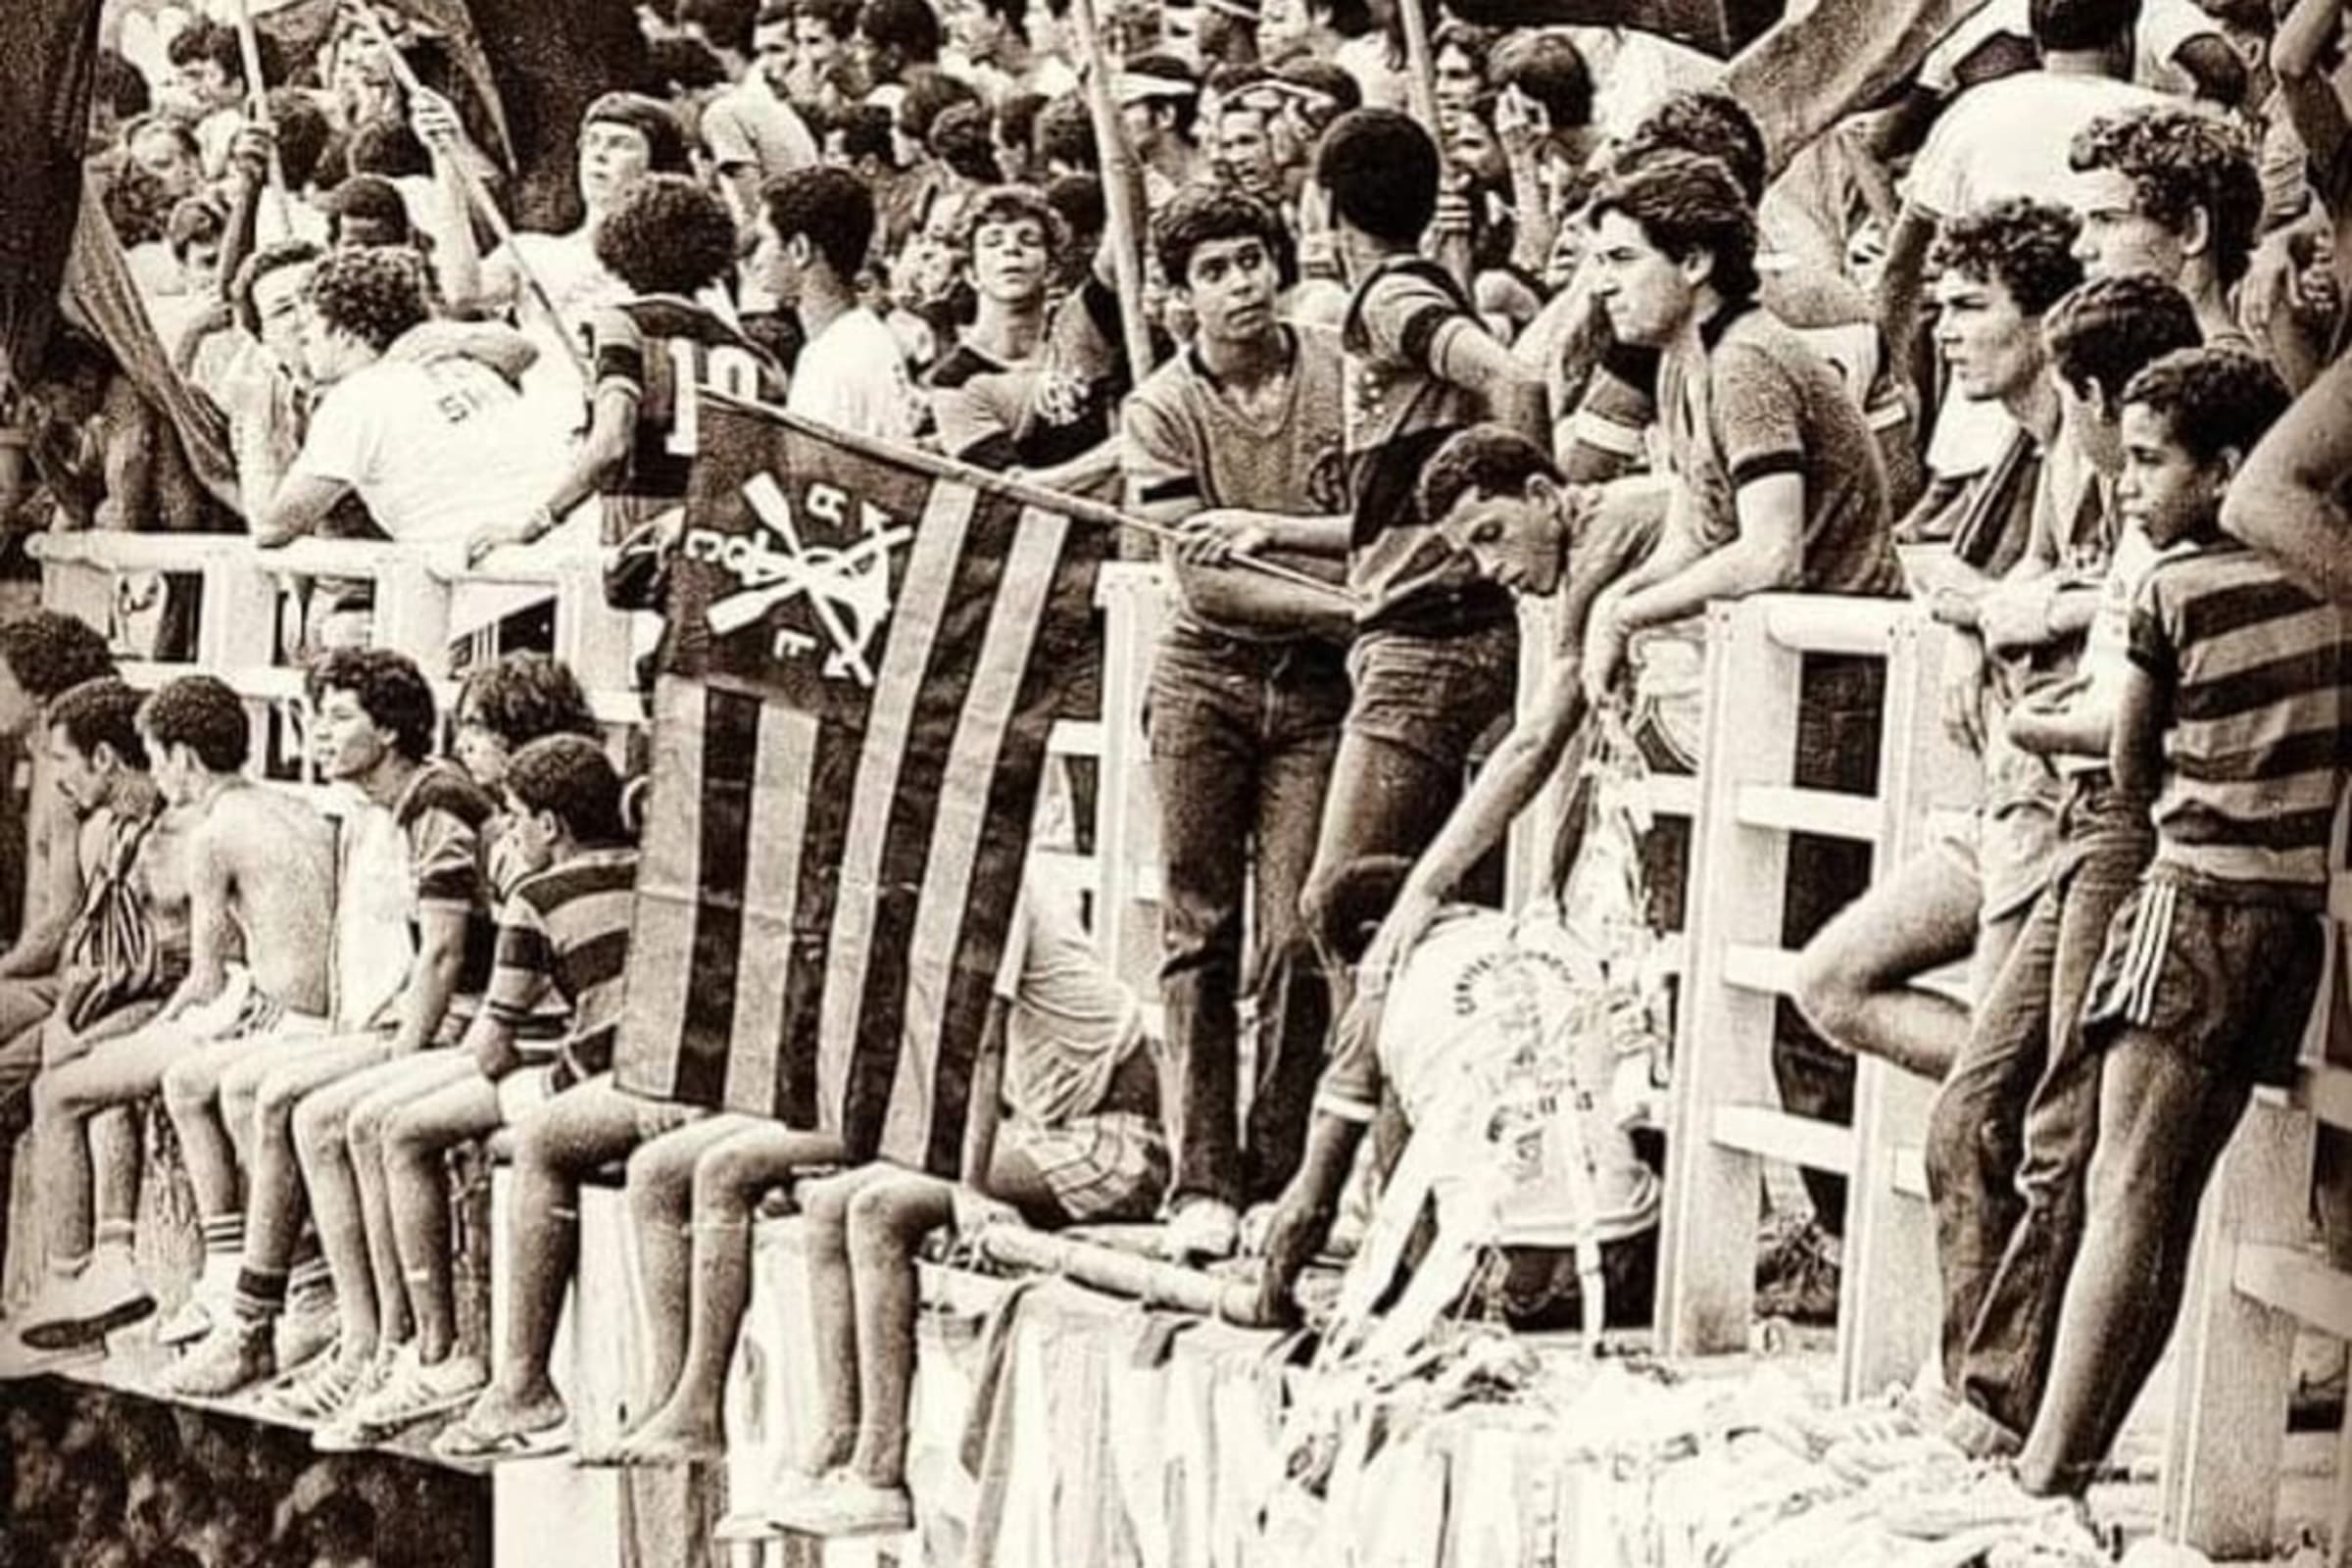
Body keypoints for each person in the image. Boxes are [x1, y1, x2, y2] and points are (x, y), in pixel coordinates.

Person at [1893, 346, 2320, 1531]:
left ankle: (2047, 1472)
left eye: (2147, 462)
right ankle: (2068, 1456)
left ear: (2231, 470)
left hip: (2187, 900)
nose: (2127, 486)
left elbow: (2130, 762)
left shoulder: (2177, 589)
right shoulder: (2331, 592)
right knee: (2171, 1198)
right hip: (2287, 925)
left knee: (2119, 1186)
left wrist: (2040, 729)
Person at [628, 854, 1163, 1538]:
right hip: (1034, 1128)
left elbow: (980, 1044)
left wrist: (965, 1186)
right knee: (829, 1205)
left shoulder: (992, 876)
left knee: (880, 1210)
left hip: (1108, 1140)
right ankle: (836, 1442)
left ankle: (880, 1467)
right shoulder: (917, 883)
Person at [1920, 273, 2201, 1458]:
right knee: (1979, 1113)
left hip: (2116, 829)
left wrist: (2021, 710)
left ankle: (2010, 1412)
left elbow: (2124, 741)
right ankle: (1977, 1393)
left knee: (2054, 1129)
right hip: (2089, 823)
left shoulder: (2156, 541)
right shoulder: (2110, 512)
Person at [1291, 110, 1545, 1235]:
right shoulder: (1418, 288)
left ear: (1322, 207)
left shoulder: (1384, 298)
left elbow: (1511, 381)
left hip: (1426, 639)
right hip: (1429, 625)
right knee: (1424, 910)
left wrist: (1508, 507)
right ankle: (1417, 1182)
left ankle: (1389, 1187)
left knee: (1346, 909)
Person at [1795, 200, 2091, 1085]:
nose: (1944, 330)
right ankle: (2035, 1091)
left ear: (2043, 322)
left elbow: (2057, 596)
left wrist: (1990, 614)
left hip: (2055, 801)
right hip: (2010, 800)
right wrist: (1977, 625)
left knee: (1982, 1105)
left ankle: (2034, 1095)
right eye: (1942, 305)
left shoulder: (2089, 433)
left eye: (1971, 307)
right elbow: (1951, 574)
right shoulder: (2028, 443)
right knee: (1832, 981)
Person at [1116, 188, 1353, 1258]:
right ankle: (1200, 1179)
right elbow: (1209, 588)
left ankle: (1278, 1168)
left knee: (1302, 923)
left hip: (1315, 688)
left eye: (1252, 260)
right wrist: (1354, 604)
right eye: (1214, 270)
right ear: (1179, 295)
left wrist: (1290, 552)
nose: (1242, 285)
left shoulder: (1341, 371)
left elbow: (1376, 524)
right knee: (1199, 929)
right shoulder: (1160, 407)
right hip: (1206, 678)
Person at [162, 650, 492, 1412]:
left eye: (339, 716)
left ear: (392, 725)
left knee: (300, 1105)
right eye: (315, 715)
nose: (318, 733)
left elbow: (443, 955)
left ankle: (346, 1334)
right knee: (258, 1089)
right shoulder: (371, 810)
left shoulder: (435, 800)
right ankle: (304, 1311)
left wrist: (400, 1056)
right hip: (379, 1022)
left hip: (442, 1028)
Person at [17, 677, 337, 1356]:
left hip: (265, 1014)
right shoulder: (294, 807)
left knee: (60, 1091)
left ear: (185, 758)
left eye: (159, 757)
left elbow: (203, 978)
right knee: (111, 1075)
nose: (157, 774)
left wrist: (151, 1031)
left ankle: (79, 1281)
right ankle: (130, 1264)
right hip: (314, 1011)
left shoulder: (211, 832)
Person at [354, 735, 636, 1455]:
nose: (507, 835)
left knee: (406, 1132)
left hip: (576, 1065)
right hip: (619, 1058)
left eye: (514, 819)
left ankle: (438, 1348)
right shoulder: (645, 873)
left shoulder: (536, 897)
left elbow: (489, 1047)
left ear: (550, 827)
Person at [1254, 856, 1662, 1333]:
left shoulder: (1379, 990)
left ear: (1372, 937)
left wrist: (1271, 1295)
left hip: (1499, 1286)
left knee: (1399, 1088)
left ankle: (1404, 1279)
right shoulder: (1546, 939)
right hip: (1630, 1264)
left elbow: (1308, 1206)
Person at [1, 678, 192, 1363]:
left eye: (64, 761)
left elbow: (184, 975)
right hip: (110, 999)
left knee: (72, 1083)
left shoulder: (179, 836)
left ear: (106, 758)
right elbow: (89, 946)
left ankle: (83, 1275)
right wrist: (71, 1023)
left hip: (172, 1005)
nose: (57, 778)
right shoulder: (102, 833)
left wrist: (94, 1032)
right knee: (63, 1063)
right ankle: (81, 1287)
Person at [467, 172, 784, 565]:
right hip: (716, 536)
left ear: (619, 247)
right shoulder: (752, 352)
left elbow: (612, 443)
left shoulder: (622, 324)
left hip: (637, 527)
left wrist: (533, 525)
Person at [250, 247, 565, 551]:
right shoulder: (470, 367)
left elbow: (273, 528)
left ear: (344, 333)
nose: (304, 339)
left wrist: (259, 429)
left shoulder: (356, 399)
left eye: (310, 327)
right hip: (574, 563)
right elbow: (522, 352)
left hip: (491, 585)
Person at [2065, 103, 2263, 349]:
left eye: (2108, 219)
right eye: (2083, 224)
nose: (2080, 248)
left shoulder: (2223, 379)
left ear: (2192, 231)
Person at [760, 166, 921, 439]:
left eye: (766, 240)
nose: (758, 256)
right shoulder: (861, 336)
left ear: (799, 249)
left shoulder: (832, 361)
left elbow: (815, 476)